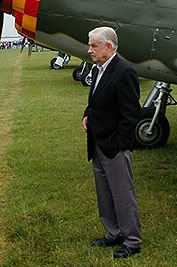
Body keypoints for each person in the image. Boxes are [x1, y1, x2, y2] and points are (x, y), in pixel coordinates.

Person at [82, 26, 142, 259]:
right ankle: (113, 233)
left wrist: (119, 144)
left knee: (122, 195)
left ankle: (132, 241)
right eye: (90, 45)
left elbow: (131, 115)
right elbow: (97, 101)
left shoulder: (124, 72)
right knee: (105, 193)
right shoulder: (98, 69)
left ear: (109, 46)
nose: (90, 50)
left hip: (113, 146)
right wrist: (87, 114)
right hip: (98, 144)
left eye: (94, 46)